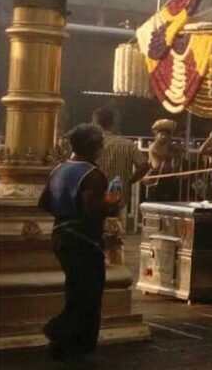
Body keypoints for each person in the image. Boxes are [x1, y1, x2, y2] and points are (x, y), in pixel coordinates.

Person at [38, 124, 121, 361]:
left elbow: (44, 203)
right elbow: (92, 211)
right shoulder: (92, 174)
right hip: (83, 240)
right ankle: (60, 331)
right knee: (88, 294)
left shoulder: (60, 169)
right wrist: (112, 201)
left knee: (76, 290)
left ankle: (67, 344)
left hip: (61, 235)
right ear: (94, 147)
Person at [92, 106, 149, 266]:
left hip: (93, 196)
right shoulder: (127, 145)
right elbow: (144, 165)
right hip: (118, 198)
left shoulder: (91, 144)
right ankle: (115, 266)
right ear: (114, 124)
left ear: (95, 123)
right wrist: (130, 180)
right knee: (115, 234)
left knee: (93, 231)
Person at [145, 118, 181, 202]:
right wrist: (174, 152)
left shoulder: (168, 145)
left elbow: (181, 149)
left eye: (166, 134)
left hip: (167, 175)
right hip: (157, 174)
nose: (164, 137)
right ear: (156, 135)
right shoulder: (154, 146)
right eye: (162, 134)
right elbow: (166, 154)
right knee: (156, 199)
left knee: (171, 198)